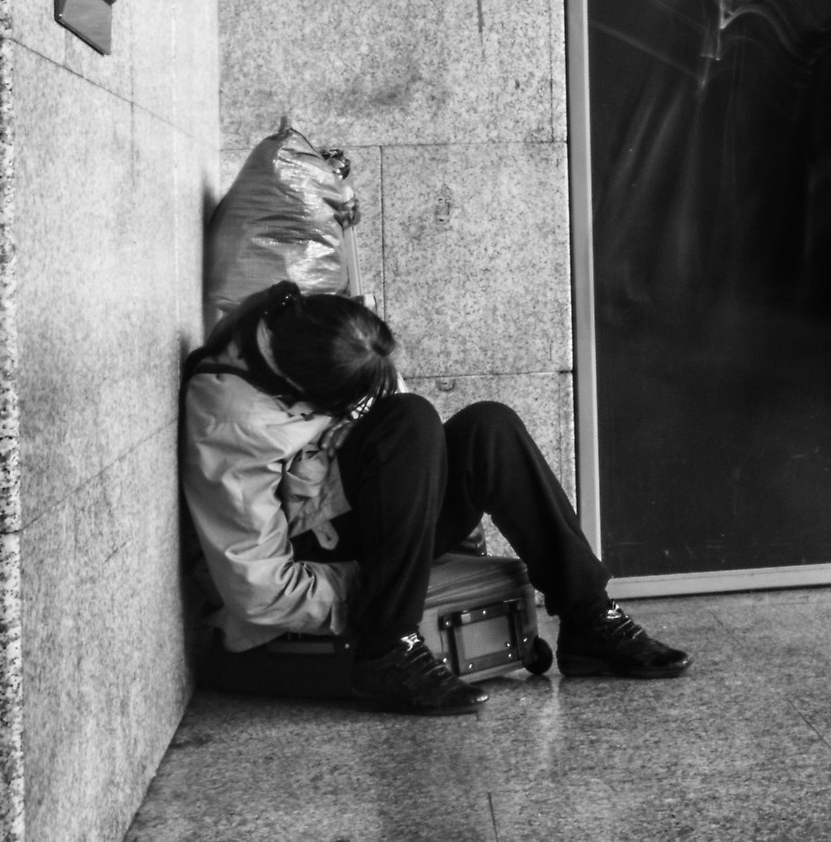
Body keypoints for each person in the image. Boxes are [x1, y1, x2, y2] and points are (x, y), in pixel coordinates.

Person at [182, 283, 690, 717]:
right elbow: (259, 593)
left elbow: (406, 455)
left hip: (372, 524)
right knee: (410, 419)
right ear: (311, 395)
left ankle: (589, 619)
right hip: (320, 560)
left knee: (488, 426)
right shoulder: (235, 420)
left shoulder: (306, 329)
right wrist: (383, 584)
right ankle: (387, 650)